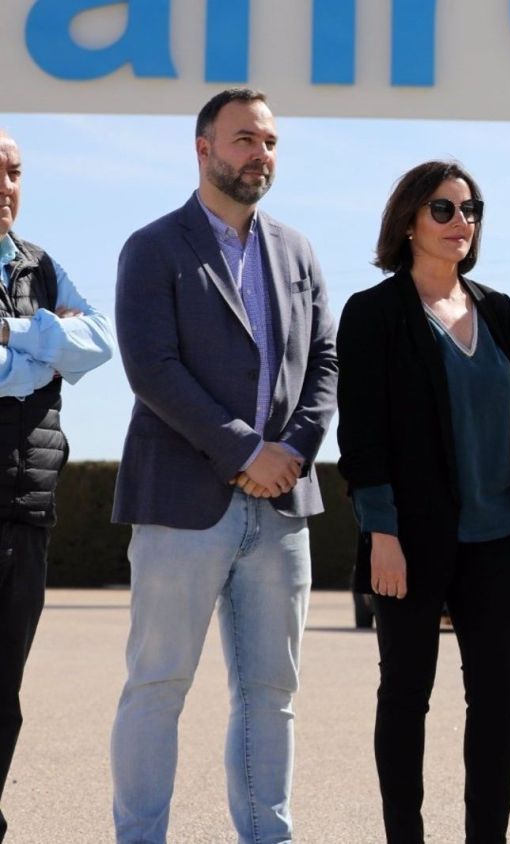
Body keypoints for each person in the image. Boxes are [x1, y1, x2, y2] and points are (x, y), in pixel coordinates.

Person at [109, 88, 338, 843]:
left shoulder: (298, 251)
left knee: (271, 695)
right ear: (203, 148)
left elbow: (325, 364)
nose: (259, 154)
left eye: (269, 142)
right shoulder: (154, 246)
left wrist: (292, 453)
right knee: (156, 688)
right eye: (244, 139)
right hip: (181, 503)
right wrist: (246, 450)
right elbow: (153, 367)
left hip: (280, 511)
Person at [336, 160, 510, 842]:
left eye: (471, 210)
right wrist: (381, 531)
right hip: (409, 539)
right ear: (408, 220)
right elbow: (363, 435)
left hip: (498, 539)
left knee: (496, 701)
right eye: (443, 209)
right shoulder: (372, 313)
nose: (461, 222)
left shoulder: (498, 310)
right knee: (405, 696)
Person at [0, 128, 115, 843]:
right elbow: (47, 362)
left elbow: (98, 342)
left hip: (23, 508)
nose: (6, 184)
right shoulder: (46, 290)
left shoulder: (41, 265)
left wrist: (17, 334)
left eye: (13, 171)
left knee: (2, 696)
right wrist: (45, 346)